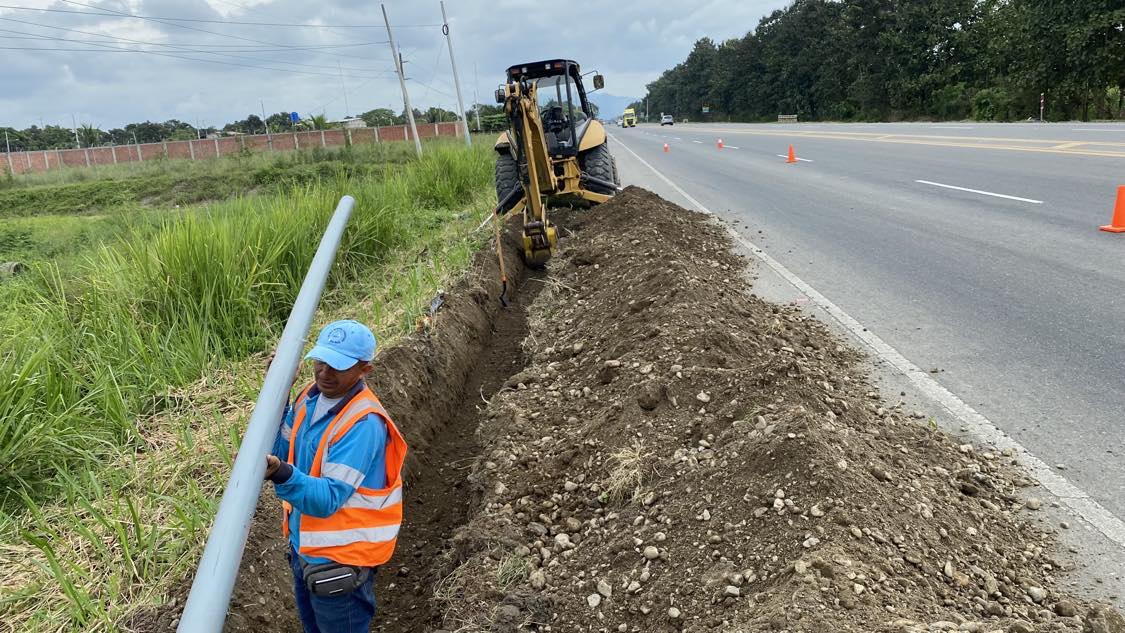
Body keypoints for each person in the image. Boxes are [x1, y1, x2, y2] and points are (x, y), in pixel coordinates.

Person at [263, 319, 408, 633]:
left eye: (337, 367)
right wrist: (278, 395)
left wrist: (281, 473)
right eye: (321, 362)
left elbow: (328, 498)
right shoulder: (308, 399)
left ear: (364, 369)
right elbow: (280, 450)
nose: (324, 373)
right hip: (305, 550)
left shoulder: (363, 424)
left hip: (340, 562)